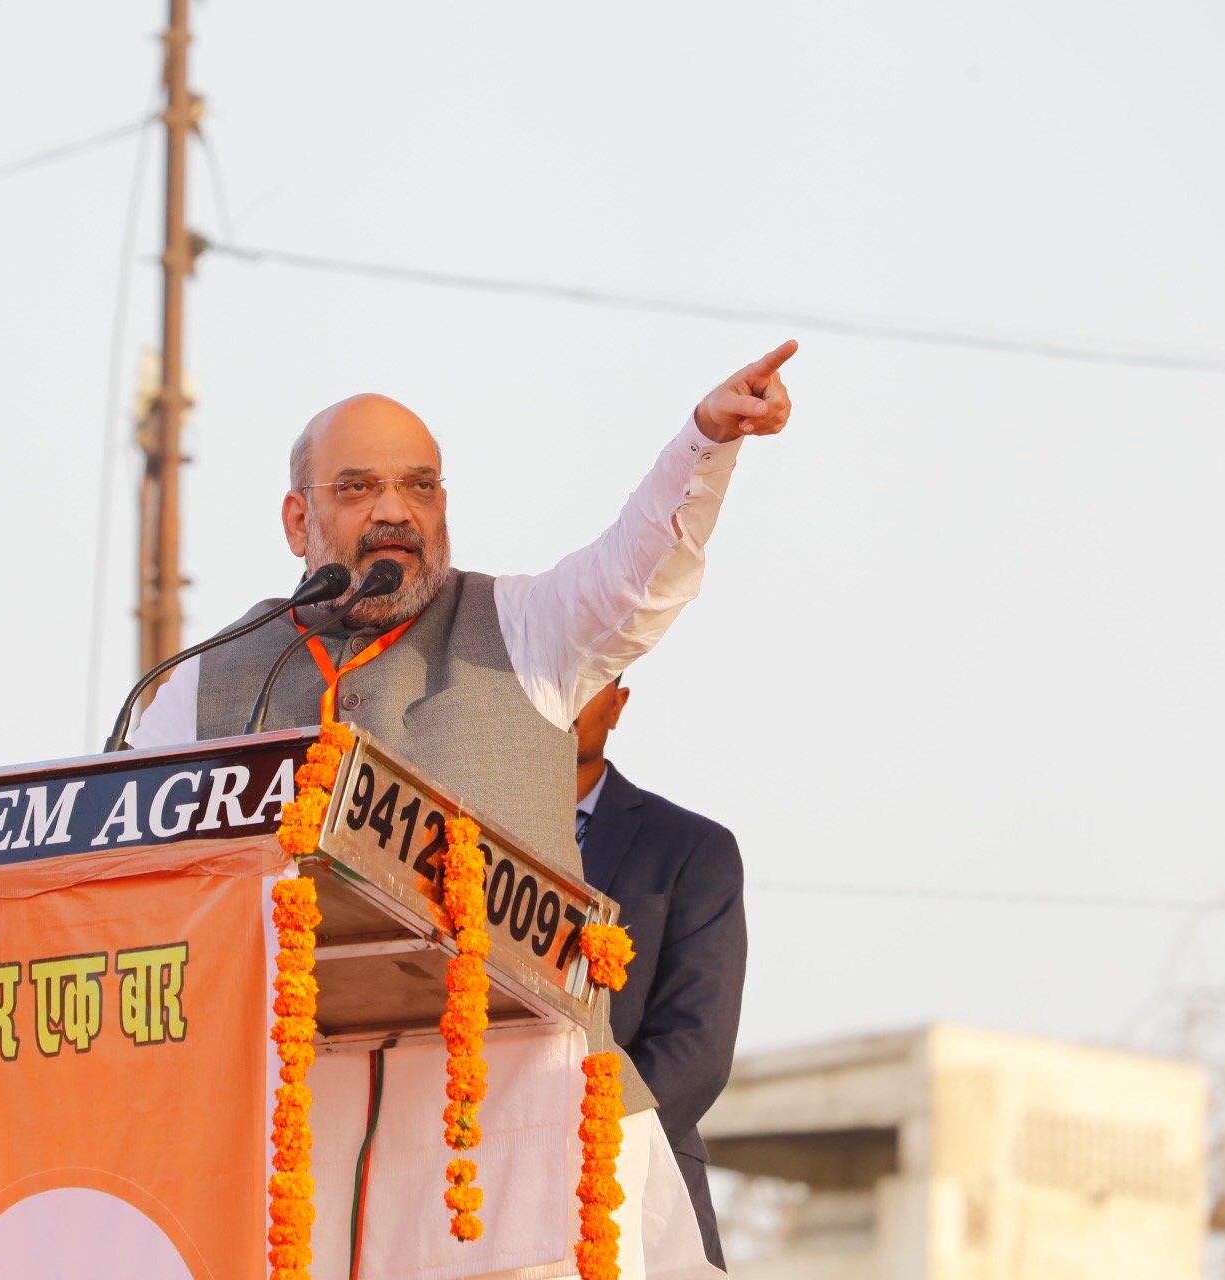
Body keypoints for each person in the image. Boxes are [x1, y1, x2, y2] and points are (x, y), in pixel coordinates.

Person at [133, 341, 795, 1277]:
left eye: (421, 486)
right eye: (358, 488)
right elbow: (142, 881)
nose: (396, 510)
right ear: (298, 519)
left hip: (516, 1138)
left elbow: (639, 572)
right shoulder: (200, 685)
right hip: (299, 1144)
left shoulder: (526, 631)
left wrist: (705, 442)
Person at [573, 674, 747, 1269]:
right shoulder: (454, 832)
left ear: (617, 705)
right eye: (552, 680)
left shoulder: (689, 848)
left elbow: (695, 1050)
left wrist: (570, 1138)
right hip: (476, 1186)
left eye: (588, 681)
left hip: (640, 1187)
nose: (567, 698)